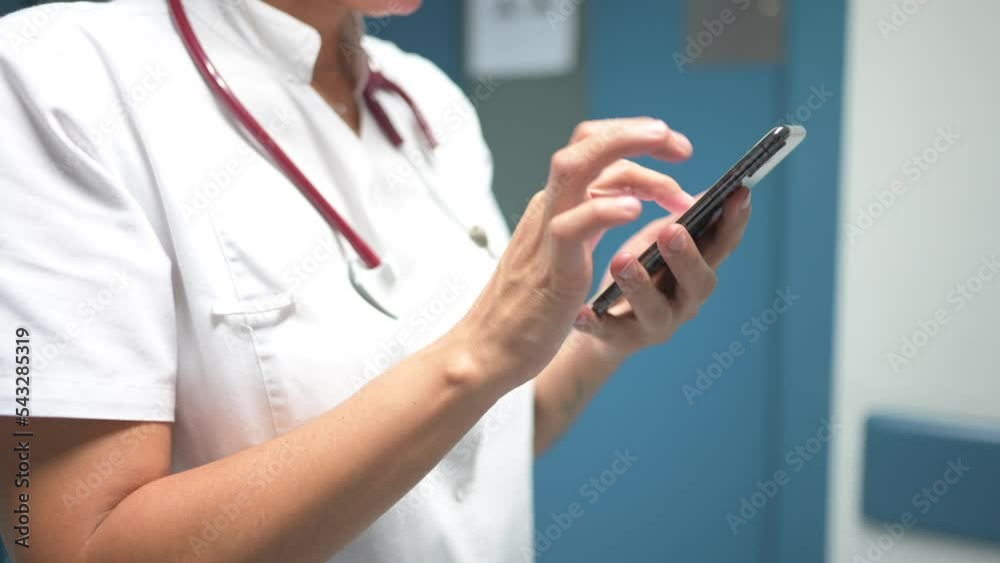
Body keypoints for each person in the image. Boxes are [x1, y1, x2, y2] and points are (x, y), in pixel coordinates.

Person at [0, 1, 752, 562]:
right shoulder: (53, 80)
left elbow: (480, 448)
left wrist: (605, 334)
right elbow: (72, 544)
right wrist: (480, 353)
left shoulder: (431, 102)